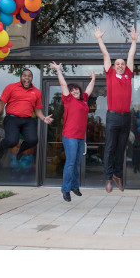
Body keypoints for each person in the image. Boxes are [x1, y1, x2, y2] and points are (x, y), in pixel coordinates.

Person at [94, 26, 139, 193]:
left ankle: (117, 176)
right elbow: (106, 55)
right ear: (114, 66)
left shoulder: (128, 74)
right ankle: (108, 178)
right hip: (112, 117)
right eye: (117, 64)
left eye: (122, 64)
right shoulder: (110, 74)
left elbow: (131, 55)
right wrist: (99, 39)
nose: (120, 65)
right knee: (110, 148)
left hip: (126, 117)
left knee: (121, 149)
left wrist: (134, 41)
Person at [49, 62, 95, 202]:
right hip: (69, 136)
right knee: (70, 162)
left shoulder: (83, 101)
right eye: (73, 90)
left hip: (80, 137)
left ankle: (74, 186)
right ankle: (66, 189)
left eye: (77, 90)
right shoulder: (68, 100)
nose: (75, 91)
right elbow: (63, 85)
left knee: (76, 162)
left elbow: (89, 90)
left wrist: (93, 78)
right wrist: (58, 70)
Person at [0, 69, 53, 163]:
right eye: (25, 75)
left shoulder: (36, 92)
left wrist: (44, 118)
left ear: (32, 78)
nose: (27, 78)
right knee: (12, 141)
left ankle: (21, 149)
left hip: (27, 120)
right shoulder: (11, 87)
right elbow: (2, 102)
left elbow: (37, 110)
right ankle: (2, 145)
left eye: (29, 76)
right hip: (12, 119)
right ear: (21, 77)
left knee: (33, 140)